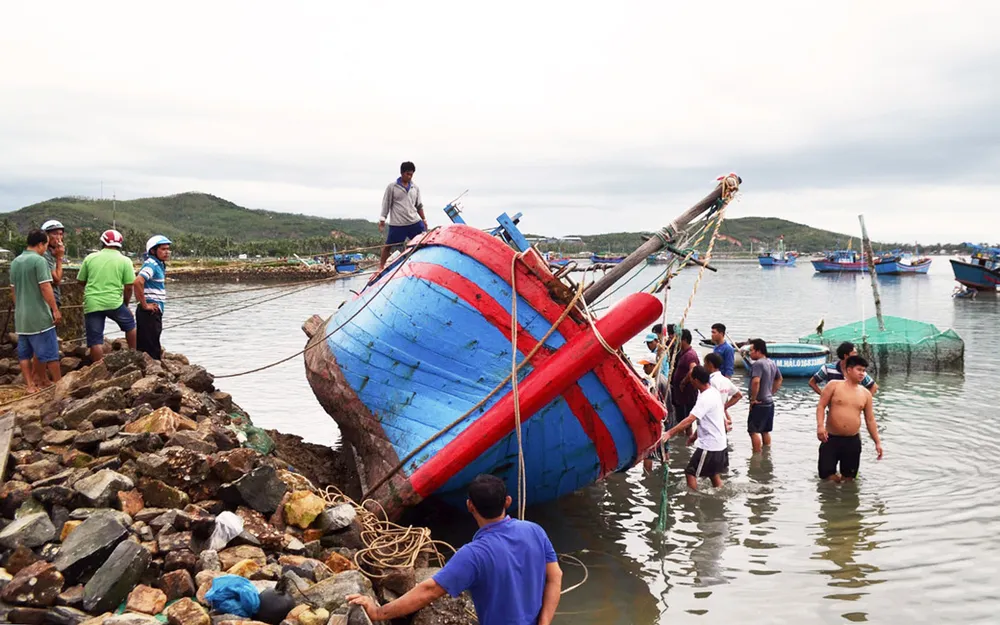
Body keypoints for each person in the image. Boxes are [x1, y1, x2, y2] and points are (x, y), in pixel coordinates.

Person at [347, 474, 562, 625]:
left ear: (470, 506)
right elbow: (555, 577)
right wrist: (543, 622)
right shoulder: (534, 531)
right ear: (508, 501)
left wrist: (377, 612)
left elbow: (428, 591)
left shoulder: (473, 554)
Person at [815, 355, 884, 481]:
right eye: (859, 370)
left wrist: (877, 442)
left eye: (864, 370)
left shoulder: (866, 394)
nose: (862, 373)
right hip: (830, 438)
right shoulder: (834, 385)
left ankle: (846, 498)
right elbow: (821, 406)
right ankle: (831, 498)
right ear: (849, 370)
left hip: (852, 441)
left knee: (849, 479)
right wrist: (820, 426)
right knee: (826, 477)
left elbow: (870, 420)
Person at [9, 230, 62, 393]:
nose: (46, 248)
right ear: (40, 244)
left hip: (22, 316)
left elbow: (13, 291)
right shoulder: (39, 261)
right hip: (39, 315)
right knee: (51, 352)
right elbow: (46, 286)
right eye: (46, 244)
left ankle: (31, 385)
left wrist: (21, 307)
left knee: (25, 353)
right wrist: (54, 309)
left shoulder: (16, 262)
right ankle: (60, 385)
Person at [659, 366, 729, 489]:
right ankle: (720, 496)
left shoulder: (705, 398)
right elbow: (708, 420)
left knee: (690, 473)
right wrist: (694, 436)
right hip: (720, 443)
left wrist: (669, 433)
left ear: (696, 380)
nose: (689, 381)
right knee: (713, 474)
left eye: (691, 379)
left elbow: (691, 419)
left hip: (710, 445)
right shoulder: (713, 392)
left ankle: (693, 500)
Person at [77, 229, 137, 362]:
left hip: (92, 303)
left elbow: (80, 281)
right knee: (130, 326)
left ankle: (98, 368)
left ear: (102, 242)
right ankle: (134, 355)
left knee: (95, 340)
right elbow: (128, 287)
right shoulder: (125, 261)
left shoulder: (90, 258)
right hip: (114, 302)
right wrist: (125, 304)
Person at [32, 220, 66, 386]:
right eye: (54, 234)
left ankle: (37, 377)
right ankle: (41, 378)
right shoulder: (45, 256)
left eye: (60, 234)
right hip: (48, 301)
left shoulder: (48, 254)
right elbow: (57, 279)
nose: (58, 238)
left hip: (47, 300)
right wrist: (60, 258)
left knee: (42, 339)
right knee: (45, 340)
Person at [378, 161, 427, 270]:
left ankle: (421, 264)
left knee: (423, 240)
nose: (409, 177)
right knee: (388, 246)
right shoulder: (392, 187)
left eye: (411, 174)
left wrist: (424, 219)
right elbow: (386, 203)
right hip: (398, 223)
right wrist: (382, 220)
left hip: (413, 221)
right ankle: (381, 266)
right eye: (407, 174)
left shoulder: (415, 188)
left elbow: (419, 205)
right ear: (402, 173)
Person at [134, 235, 171, 360]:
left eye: (168, 249)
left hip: (154, 310)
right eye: (163, 249)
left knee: (152, 343)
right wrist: (145, 305)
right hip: (150, 311)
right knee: (150, 348)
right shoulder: (152, 265)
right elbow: (138, 281)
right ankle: (152, 374)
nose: (167, 252)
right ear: (153, 251)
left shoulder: (158, 264)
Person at [747, 338, 782, 453]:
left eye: (751, 350)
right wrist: (771, 392)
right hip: (769, 402)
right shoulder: (771, 362)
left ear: (758, 351)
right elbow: (779, 379)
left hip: (760, 402)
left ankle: (756, 456)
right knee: (765, 431)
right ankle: (767, 453)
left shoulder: (758, 364)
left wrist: (753, 399)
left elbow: (756, 381)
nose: (750, 353)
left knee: (753, 431)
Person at [809, 341, 879, 396]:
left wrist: (864, 401)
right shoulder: (828, 368)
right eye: (854, 353)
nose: (856, 356)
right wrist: (824, 396)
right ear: (846, 356)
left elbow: (874, 386)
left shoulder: (857, 371)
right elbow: (812, 382)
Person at [670, 329, 701, 434]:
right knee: (682, 420)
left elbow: (693, 369)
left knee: (686, 422)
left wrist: (684, 381)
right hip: (681, 395)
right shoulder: (683, 353)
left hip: (687, 394)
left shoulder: (690, 355)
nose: (676, 341)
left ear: (684, 340)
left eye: (678, 339)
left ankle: (687, 441)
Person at [704, 352, 742, 432]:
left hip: (712, 419)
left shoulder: (710, 381)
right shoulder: (725, 380)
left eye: (705, 363)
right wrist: (725, 407)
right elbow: (738, 395)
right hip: (722, 416)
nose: (704, 366)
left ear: (710, 364)